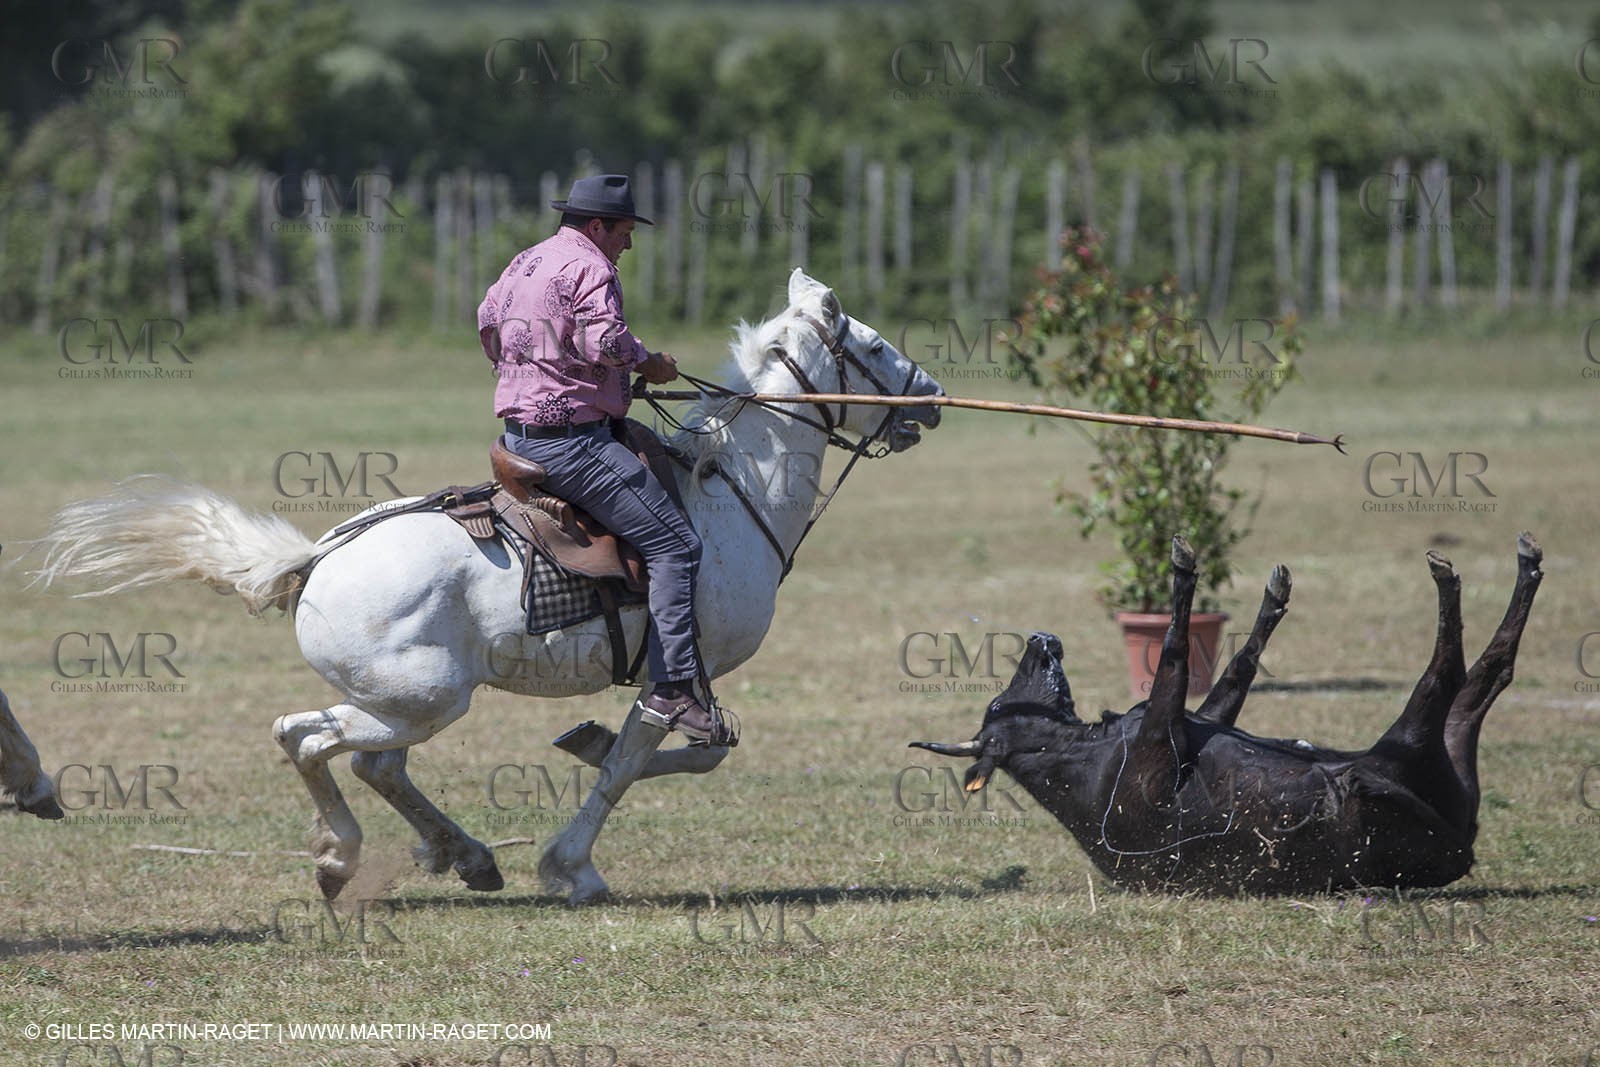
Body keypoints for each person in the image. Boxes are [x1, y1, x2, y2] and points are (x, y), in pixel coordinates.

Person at [477, 173, 723, 743]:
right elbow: (605, 342)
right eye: (624, 231)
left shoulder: (526, 261)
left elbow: (487, 324)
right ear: (597, 226)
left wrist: (534, 371)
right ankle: (671, 690)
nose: (628, 243)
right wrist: (649, 363)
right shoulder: (590, 266)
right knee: (676, 545)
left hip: (518, 435)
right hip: (570, 445)